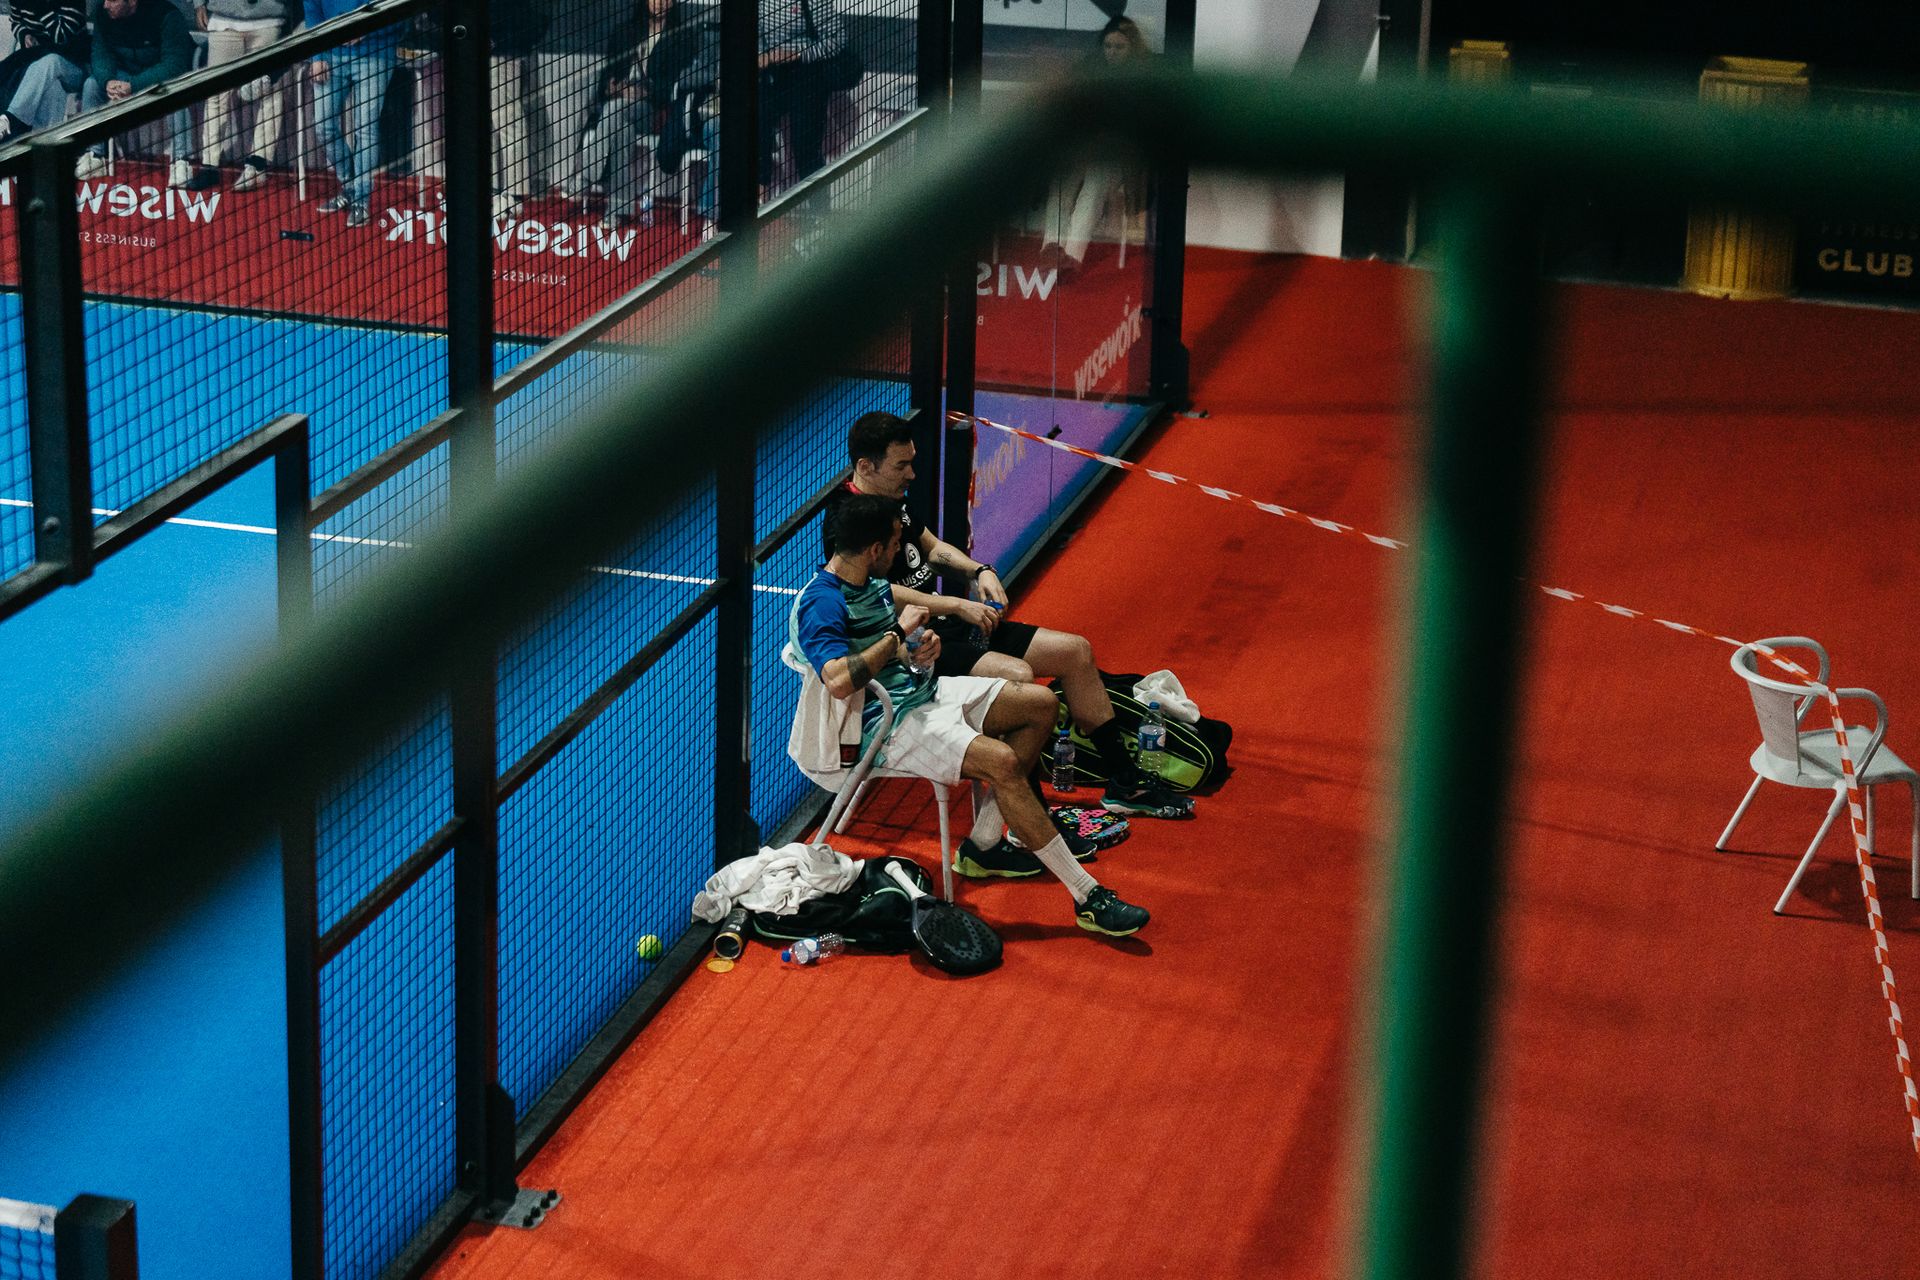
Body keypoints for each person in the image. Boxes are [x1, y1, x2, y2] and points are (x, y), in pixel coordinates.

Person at [791, 492, 1150, 938]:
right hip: (883, 727)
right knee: (1001, 763)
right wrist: (896, 634)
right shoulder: (822, 603)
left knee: (1041, 705)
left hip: (924, 695)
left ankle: (983, 844)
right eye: (893, 544)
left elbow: (891, 655)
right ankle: (1086, 895)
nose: (899, 553)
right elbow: (839, 680)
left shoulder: (873, 587)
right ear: (873, 550)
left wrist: (917, 653)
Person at [822, 412, 1197, 825]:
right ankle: (1021, 820)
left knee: (1075, 651)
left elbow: (930, 547)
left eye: (912, 462)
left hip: (949, 625)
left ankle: (1125, 782)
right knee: (1019, 680)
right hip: (916, 651)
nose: (912, 474)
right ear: (865, 467)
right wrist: (955, 605)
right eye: (901, 465)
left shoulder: (894, 502)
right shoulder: (847, 521)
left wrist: (978, 571)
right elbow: (877, 594)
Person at [588, 0, 717, 231]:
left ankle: (588, 174)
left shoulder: (681, 35)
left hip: (655, 111)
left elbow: (677, 85)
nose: (660, 4)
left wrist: (642, 93)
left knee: (615, 111)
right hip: (620, 110)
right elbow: (606, 77)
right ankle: (618, 209)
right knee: (619, 124)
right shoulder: (625, 31)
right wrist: (611, 88)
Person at [1041, 16, 1151, 273]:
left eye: (1119, 47)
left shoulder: (1142, 79)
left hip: (1118, 157)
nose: (1112, 53)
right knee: (1061, 184)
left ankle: (1072, 256)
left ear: (1132, 48)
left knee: (1094, 186)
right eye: (1108, 47)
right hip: (1085, 150)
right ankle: (1053, 246)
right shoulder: (1090, 70)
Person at [74, 0, 196, 185]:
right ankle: (95, 156)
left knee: (176, 89)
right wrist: (108, 81)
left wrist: (134, 85)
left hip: (158, 79)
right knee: (92, 84)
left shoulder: (167, 16)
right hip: (124, 77)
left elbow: (174, 66)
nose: (106, 5)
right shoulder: (103, 15)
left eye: (112, 0)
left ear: (132, 1)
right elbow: (100, 54)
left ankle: (181, 161)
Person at [184, 0, 298, 192]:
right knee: (216, 93)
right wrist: (198, 3)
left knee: (269, 91)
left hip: (268, 19)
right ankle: (210, 166)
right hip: (223, 19)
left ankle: (257, 165)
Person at [306, 0, 402, 227]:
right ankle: (350, 186)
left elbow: (398, 13)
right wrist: (317, 56)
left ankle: (361, 200)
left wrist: (367, 28)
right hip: (330, 54)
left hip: (375, 54)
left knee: (366, 128)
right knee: (323, 125)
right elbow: (312, 9)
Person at [756, 0, 849, 191]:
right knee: (756, 129)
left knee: (805, 148)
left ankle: (819, 215)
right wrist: (761, 55)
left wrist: (797, 54)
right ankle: (757, 197)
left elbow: (837, 39)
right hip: (773, 75)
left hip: (808, 76)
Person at [489, 0, 548, 219]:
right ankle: (494, 191)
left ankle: (514, 194)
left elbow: (517, 14)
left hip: (503, 52)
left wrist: (496, 40)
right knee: (488, 125)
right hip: (474, 50)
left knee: (507, 121)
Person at [0, 0, 88, 142]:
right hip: (40, 71)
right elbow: (16, 22)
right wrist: (25, 35)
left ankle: (10, 119)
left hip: (75, 66)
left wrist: (40, 6)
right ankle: (44, 151)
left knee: (49, 61)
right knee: (53, 88)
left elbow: (61, 37)